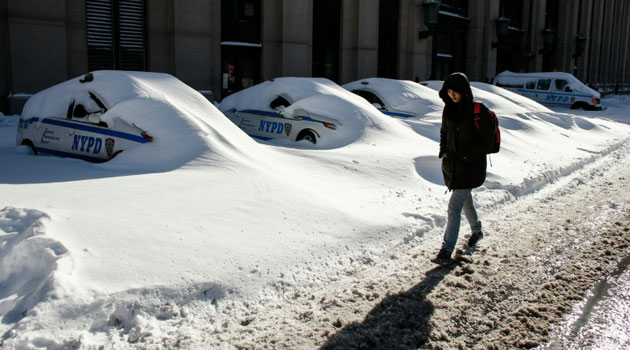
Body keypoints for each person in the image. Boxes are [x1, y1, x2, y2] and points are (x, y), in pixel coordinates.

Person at [432, 72, 494, 264]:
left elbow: (488, 141)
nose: (452, 96)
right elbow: (444, 132)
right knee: (466, 202)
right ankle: (477, 231)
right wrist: (444, 151)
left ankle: (446, 249)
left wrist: (469, 156)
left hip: (471, 167)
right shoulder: (448, 110)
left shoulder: (478, 110)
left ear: (464, 91)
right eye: (449, 92)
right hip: (453, 166)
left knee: (454, 207)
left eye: (455, 92)